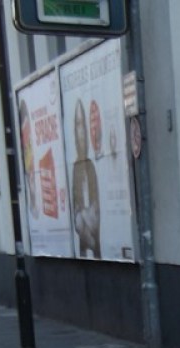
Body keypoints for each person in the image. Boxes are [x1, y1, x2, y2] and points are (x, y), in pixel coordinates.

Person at [70, 99, 101, 258]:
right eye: (77, 125)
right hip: (83, 232)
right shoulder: (75, 168)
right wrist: (81, 216)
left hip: (91, 230)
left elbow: (96, 208)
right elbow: (75, 209)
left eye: (82, 124)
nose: (80, 131)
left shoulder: (91, 167)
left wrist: (84, 217)